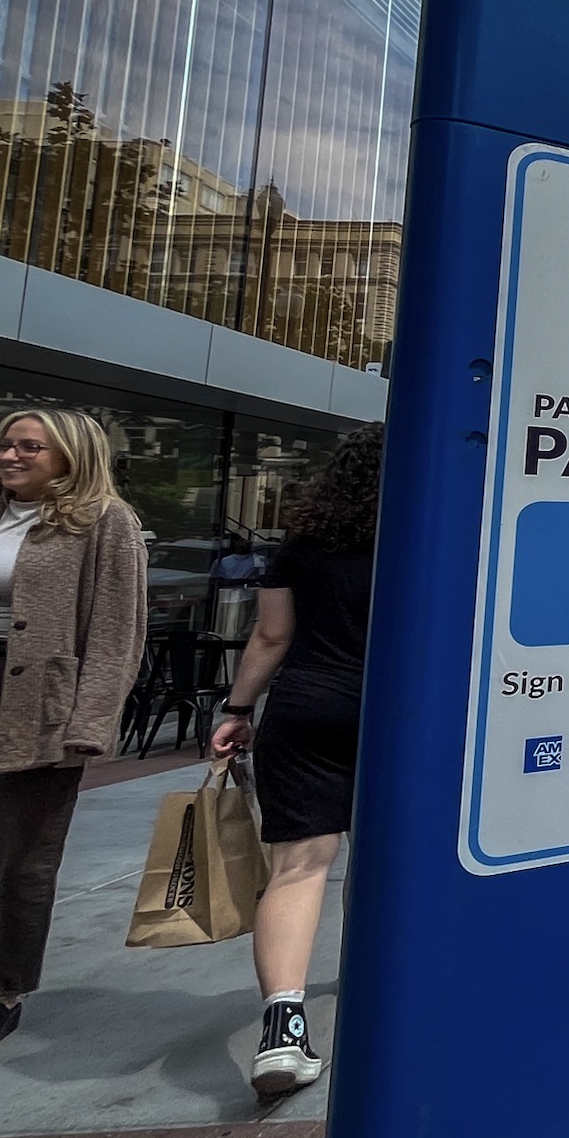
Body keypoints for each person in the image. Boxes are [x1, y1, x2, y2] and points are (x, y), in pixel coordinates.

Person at [0, 408, 147, 1062]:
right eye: (5, 444)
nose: (9, 456)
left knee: (8, 858)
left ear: (70, 456)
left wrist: (91, 721)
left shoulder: (105, 521)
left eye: (28, 447)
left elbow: (115, 634)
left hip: (39, 705)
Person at [211, 424, 380, 1098]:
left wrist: (237, 710)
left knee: (298, 869)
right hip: (401, 714)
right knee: (387, 856)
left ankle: (283, 1027)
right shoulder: (429, 533)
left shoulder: (303, 544)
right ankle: (386, 981)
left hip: (307, 707)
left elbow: (271, 634)